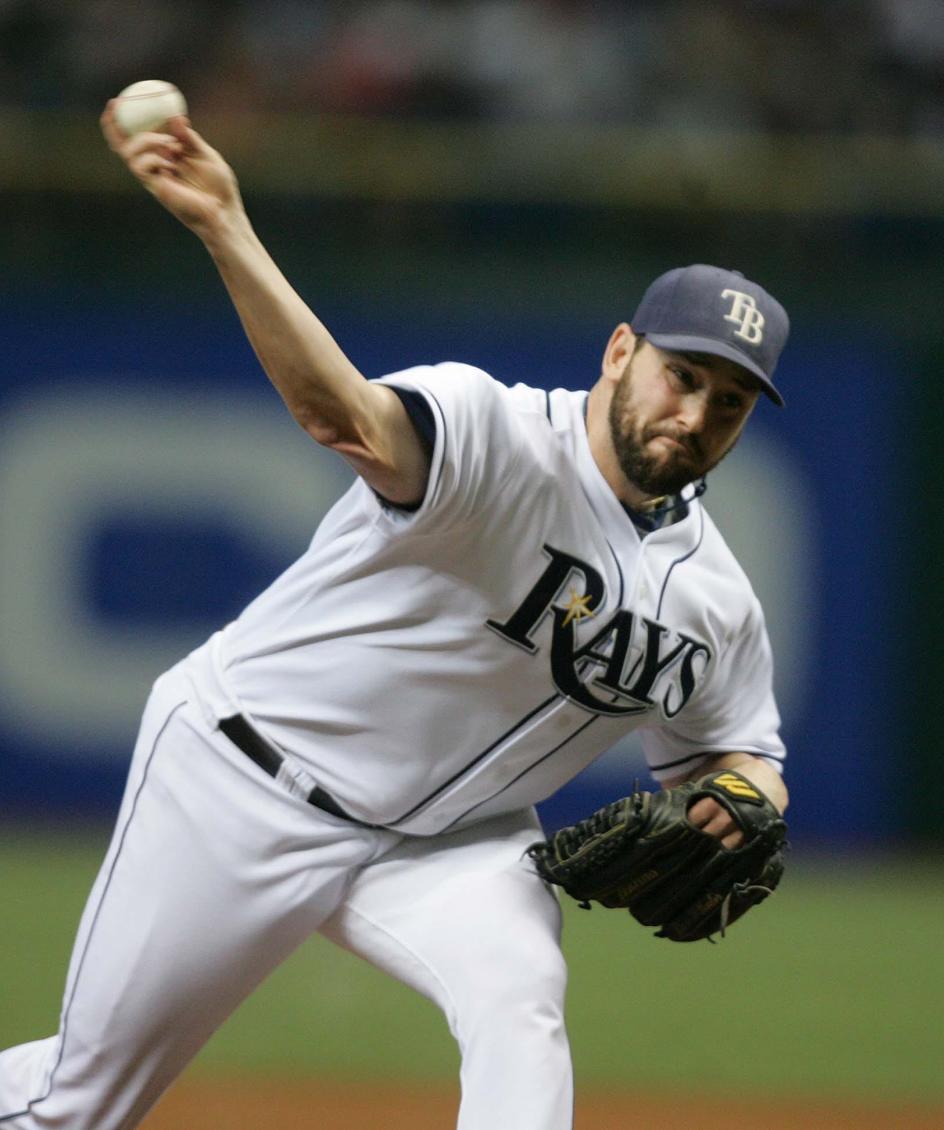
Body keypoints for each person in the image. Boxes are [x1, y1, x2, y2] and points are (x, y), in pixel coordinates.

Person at [0, 107, 790, 1130]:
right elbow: (345, 417)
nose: (694, 416)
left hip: (448, 843)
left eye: (728, 402)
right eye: (683, 376)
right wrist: (225, 224)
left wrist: (739, 794)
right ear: (620, 351)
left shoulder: (717, 598)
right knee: (80, 1104)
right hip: (246, 778)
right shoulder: (493, 433)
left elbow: (739, 750)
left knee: (520, 1002)